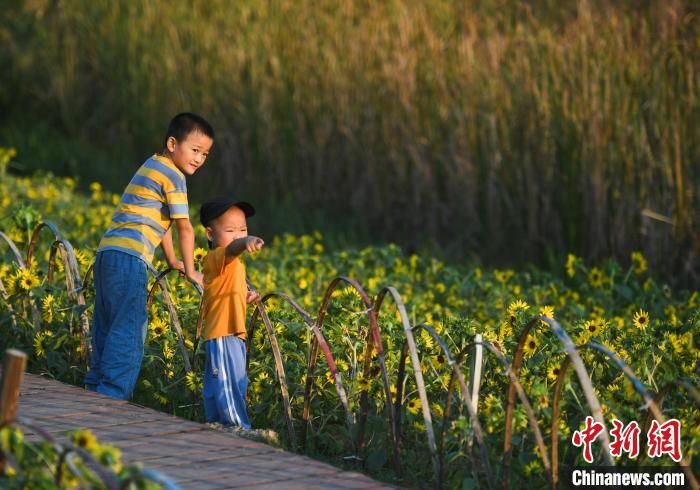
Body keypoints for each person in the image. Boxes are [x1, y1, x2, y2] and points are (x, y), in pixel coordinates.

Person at [84, 113, 214, 400]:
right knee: (129, 329)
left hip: (108, 253)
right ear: (172, 143)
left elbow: (161, 221)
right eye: (194, 150)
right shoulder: (174, 176)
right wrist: (192, 271)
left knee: (106, 325)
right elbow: (184, 227)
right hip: (131, 257)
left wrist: (171, 261)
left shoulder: (152, 165)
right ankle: (112, 398)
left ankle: (93, 392)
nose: (199, 159)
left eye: (205, 154)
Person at [198, 197, 264, 428]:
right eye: (230, 230)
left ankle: (216, 424)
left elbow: (231, 290)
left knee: (228, 380)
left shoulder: (234, 265)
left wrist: (247, 295)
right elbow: (233, 248)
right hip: (223, 331)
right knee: (229, 382)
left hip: (232, 332)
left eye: (243, 229)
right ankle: (237, 427)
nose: (238, 235)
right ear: (210, 234)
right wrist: (245, 241)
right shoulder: (217, 257)